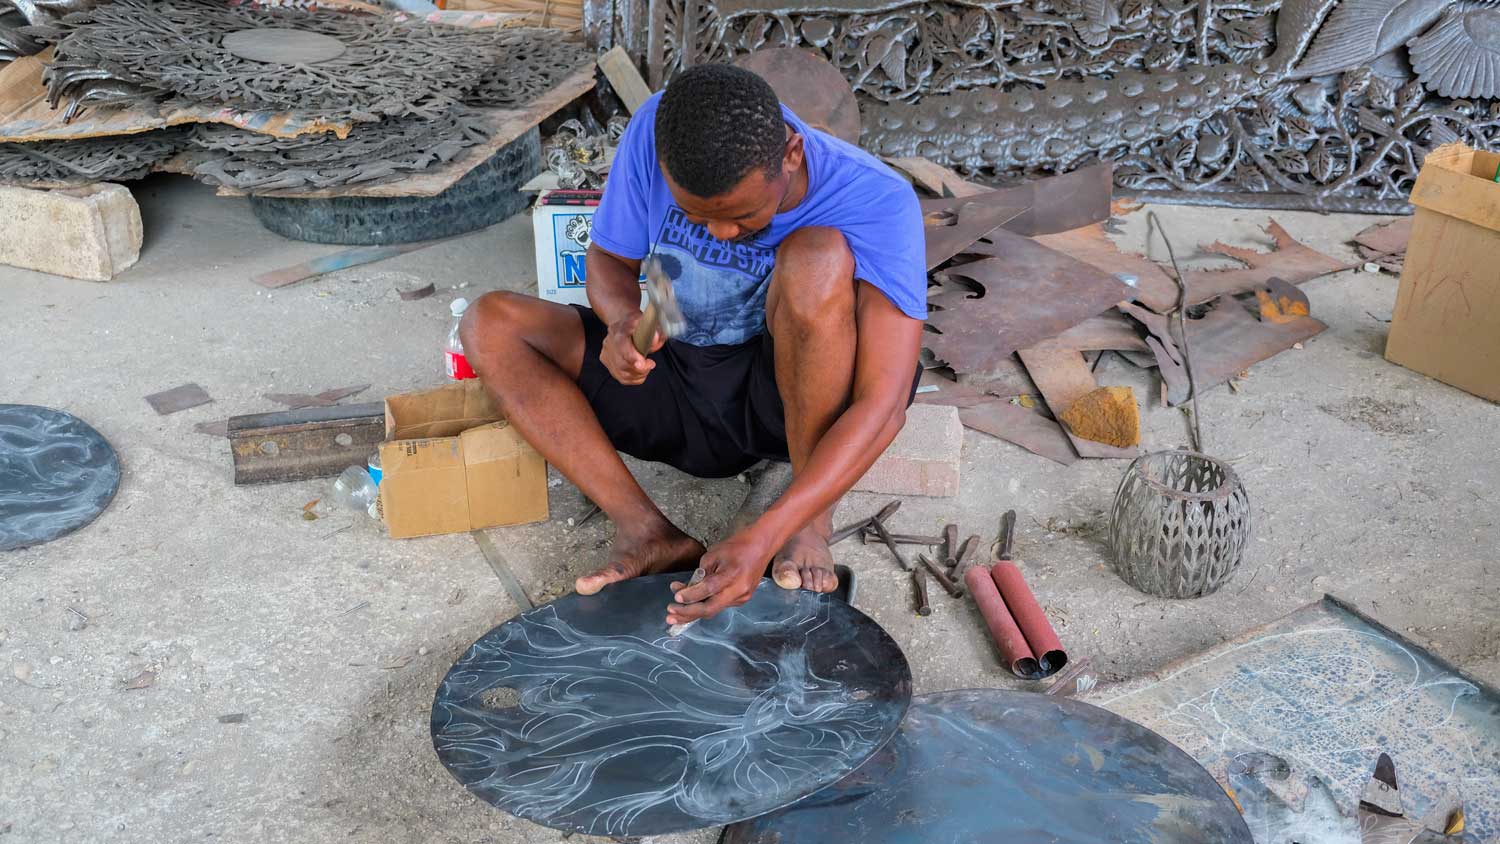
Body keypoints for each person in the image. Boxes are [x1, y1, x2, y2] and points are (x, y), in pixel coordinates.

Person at [460, 63, 925, 626]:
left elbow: (885, 404)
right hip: (674, 374)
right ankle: (647, 531)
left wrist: (766, 534)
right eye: (695, 216)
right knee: (491, 323)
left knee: (818, 257)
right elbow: (610, 259)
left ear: (792, 155)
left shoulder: (875, 198)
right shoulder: (657, 128)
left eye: (742, 215)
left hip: (779, 401)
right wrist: (620, 324)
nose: (719, 233)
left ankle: (810, 521)